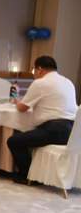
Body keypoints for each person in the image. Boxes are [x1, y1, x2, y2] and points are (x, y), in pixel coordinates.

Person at [7, 55, 77, 184]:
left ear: (39, 69)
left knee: (14, 140)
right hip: (72, 133)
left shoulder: (40, 83)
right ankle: (34, 172)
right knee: (23, 135)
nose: (34, 73)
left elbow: (22, 108)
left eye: (34, 70)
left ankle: (27, 175)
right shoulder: (68, 82)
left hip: (54, 131)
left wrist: (16, 101)